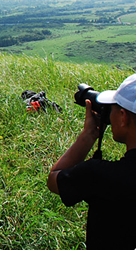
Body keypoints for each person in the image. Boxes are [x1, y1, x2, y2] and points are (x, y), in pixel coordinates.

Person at [47, 74, 136, 250]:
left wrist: (89, 134)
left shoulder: (101, 175)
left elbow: (54, 180)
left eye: (113, 109)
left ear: (123, 117)